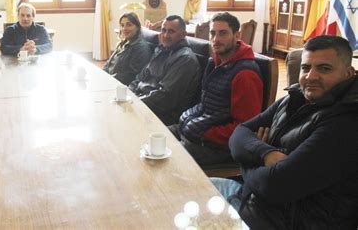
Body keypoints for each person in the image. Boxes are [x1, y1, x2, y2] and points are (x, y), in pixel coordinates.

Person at [212, 35, 358, 229]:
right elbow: (239, 133)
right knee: (188, 191)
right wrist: (267, 153)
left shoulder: (346, 122)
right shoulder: (293, 97)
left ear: (348, 73)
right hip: (256, 202)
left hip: (285, 222)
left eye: (324, 69)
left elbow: (275, 187)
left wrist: (247, 162)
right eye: (306, 68)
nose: (311, 76)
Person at [168, 12, 263, 166]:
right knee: (153, 136)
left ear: (237, 35)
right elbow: (207, 104)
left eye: (223, 33)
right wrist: (189, 121)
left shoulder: (245, 74)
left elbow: (246, 126)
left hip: (218, 147)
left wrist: (205, 133)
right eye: (213, 33)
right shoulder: (214, 62)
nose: (216, 39)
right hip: (199, 131)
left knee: (164, 158)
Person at [129, 15, 200, 125]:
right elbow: (141, 76)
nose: (166, 35)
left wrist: (135, 103)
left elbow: (165, 97)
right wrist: (129, 93)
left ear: (183, 35)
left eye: (171, 31)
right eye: (163, 30)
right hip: (144, 102)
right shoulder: (161, 49)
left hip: (163, 115)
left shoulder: (185, 59)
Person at [103, 13, 152, 85]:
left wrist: (109, 79)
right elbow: (109, 64)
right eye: (122, 25)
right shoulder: (123, 43)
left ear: (137, 27)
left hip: (120, 86)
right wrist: (101, 73)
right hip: (110, 80)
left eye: (129, 25)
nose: (124, 28)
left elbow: (132, 75)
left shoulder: (141, 48)